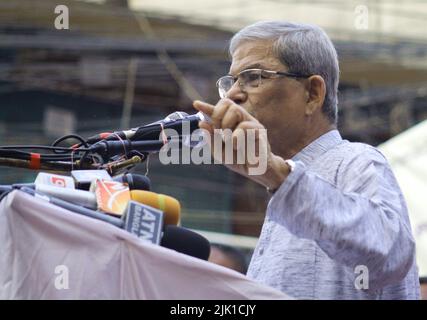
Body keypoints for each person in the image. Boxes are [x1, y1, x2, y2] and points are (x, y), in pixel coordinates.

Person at [192, 21, 420, 299]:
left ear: (312, 93)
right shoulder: (285, 185)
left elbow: (391, 253)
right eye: (231, 81)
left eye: (253, 77)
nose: (232, 95)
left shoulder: (356, 161)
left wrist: (275, 174)